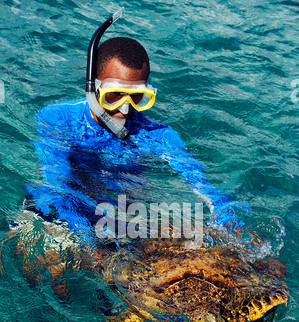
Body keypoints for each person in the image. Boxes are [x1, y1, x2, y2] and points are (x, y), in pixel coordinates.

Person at [1, 9, 244, 296]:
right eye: (114, 95)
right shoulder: (56, 120)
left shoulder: (157, 134)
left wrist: (238, 229)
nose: (124, 109)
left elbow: (205, 187)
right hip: (61, 209)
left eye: (138, 97)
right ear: (92, 86)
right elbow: (58, 186)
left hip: (123, 214)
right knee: (38, 264)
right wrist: (88, 245)